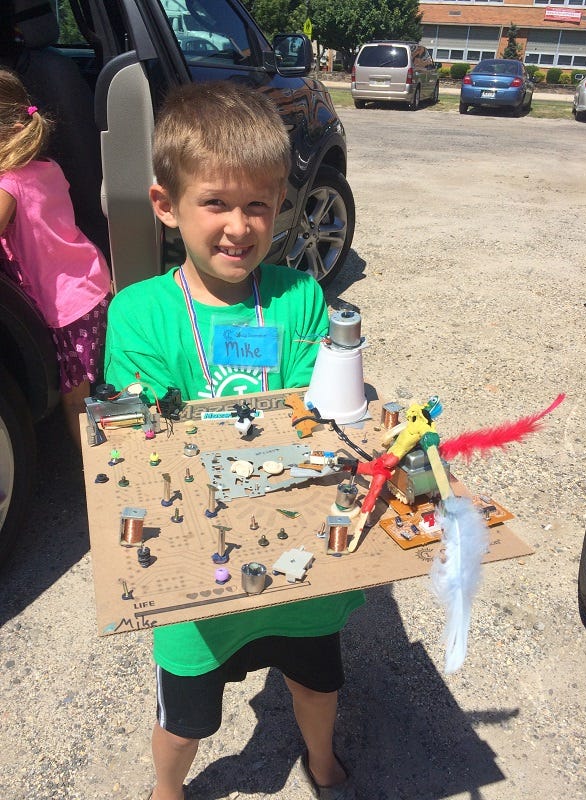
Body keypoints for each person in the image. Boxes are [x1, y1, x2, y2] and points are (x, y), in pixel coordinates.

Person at [104, 81, 364, 800]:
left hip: (295, 560)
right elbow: (138, 441)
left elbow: (322, 412)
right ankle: (167, 788)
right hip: (196, 567)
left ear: (280, 204)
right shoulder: (140, 313)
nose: (239, 226)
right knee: (185, 719)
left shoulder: (297, 296)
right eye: (215, 202)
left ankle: (321, 757)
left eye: (258, 204)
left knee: (316, 679)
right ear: (166, 206)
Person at [0, 67, 111, 444]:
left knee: (76, 398)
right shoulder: (47, 167)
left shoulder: (9, 185)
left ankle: (92, 474)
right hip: (88, 283)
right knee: (91, 385)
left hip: (67, 306)